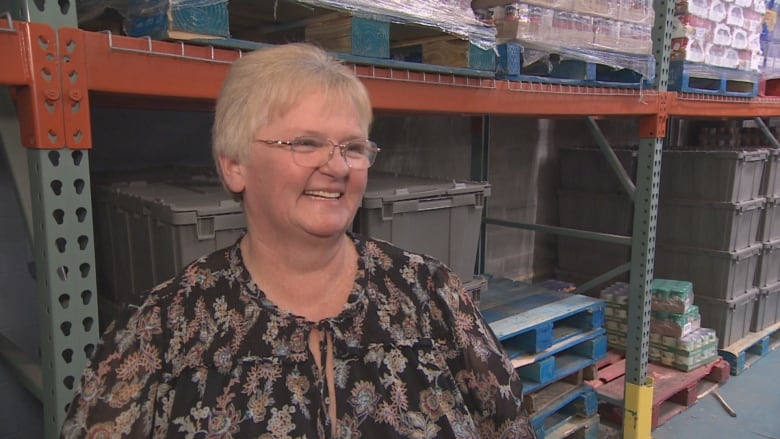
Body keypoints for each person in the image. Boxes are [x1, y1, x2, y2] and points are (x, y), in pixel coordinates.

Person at [61, 42, 536, 438]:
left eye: (352, 147)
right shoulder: (162, 329)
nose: (337, 166)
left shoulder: (430, 294)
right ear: (234, 164)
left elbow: (511, 427)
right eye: (305, 143)